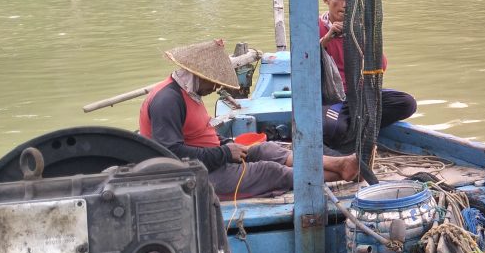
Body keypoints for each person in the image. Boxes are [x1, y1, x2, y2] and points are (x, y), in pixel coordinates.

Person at [139, 39, 358, 199]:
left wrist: (226, 144)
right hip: (194, 178)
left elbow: (198, 134)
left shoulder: (190, 93)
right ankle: (341, 174)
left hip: (211, 159)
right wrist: (225, 153)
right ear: (198, 75)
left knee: (267, 150)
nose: (216, 87)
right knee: (270, 171)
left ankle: (340, 164)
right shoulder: (168, 101)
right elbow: (172, 154)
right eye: (213, 81)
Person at [319, 0, 417, 146]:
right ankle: (352, 126)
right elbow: (303, 62)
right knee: (332, 128)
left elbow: (381, 66)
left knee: (407, 104)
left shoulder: (359, 29)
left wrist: (364, 39)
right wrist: (327, 38)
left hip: (358, 96)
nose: (345, 5)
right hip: (331, 98)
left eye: (350, 0)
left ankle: (355, 127)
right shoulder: (314, 26)